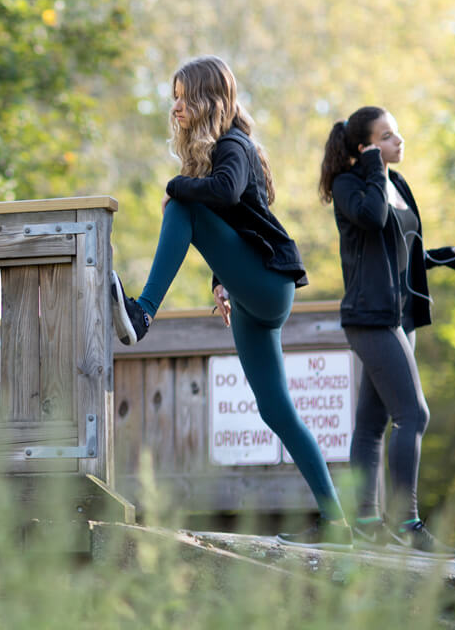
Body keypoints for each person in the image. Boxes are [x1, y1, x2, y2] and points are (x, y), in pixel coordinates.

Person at [110, 55, 351, 548]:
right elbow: (241, 222)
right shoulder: (218, 151)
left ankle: (142, 314)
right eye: (172, 97)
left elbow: (225, 191)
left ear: (207, 100)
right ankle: (337, 524)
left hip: (270, 284)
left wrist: (174, 186)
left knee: (183, 204)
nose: (175, 107)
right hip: (248, 294)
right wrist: (223, 281)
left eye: (183, 97)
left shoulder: (234, 145)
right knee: (276, 411)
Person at [320, 106, 455, 558]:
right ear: (365, 147)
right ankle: (406, 524)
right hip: (371, 318)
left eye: (397, 133)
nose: (399, 141)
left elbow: (404, 251)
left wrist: (445, 255)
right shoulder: (353, 186)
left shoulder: (397, 184)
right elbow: (370, 218)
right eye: (387, 136)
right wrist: (372, 168)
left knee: (371, 424)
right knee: (414, 415)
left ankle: (366, 524)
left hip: (401, 317)